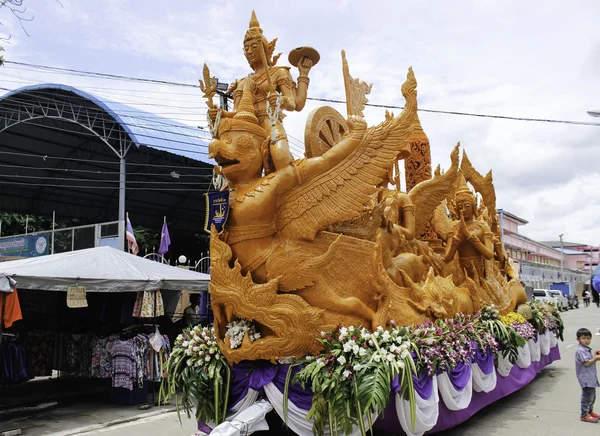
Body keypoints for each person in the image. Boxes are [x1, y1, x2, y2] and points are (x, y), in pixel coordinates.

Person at [575, 327, 600, 423]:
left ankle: (590, 411)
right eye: (584, 338)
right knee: (587, 397)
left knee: (592, 396)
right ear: (578, 339)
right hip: (586, 378)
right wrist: (596, 358)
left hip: (590, 377)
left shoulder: (585, 349)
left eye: (588, 338)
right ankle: (584, 414)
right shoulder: (580, 351)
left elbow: (589, 360)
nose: (586, 340)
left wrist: (595, 356)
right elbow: (586, 363)